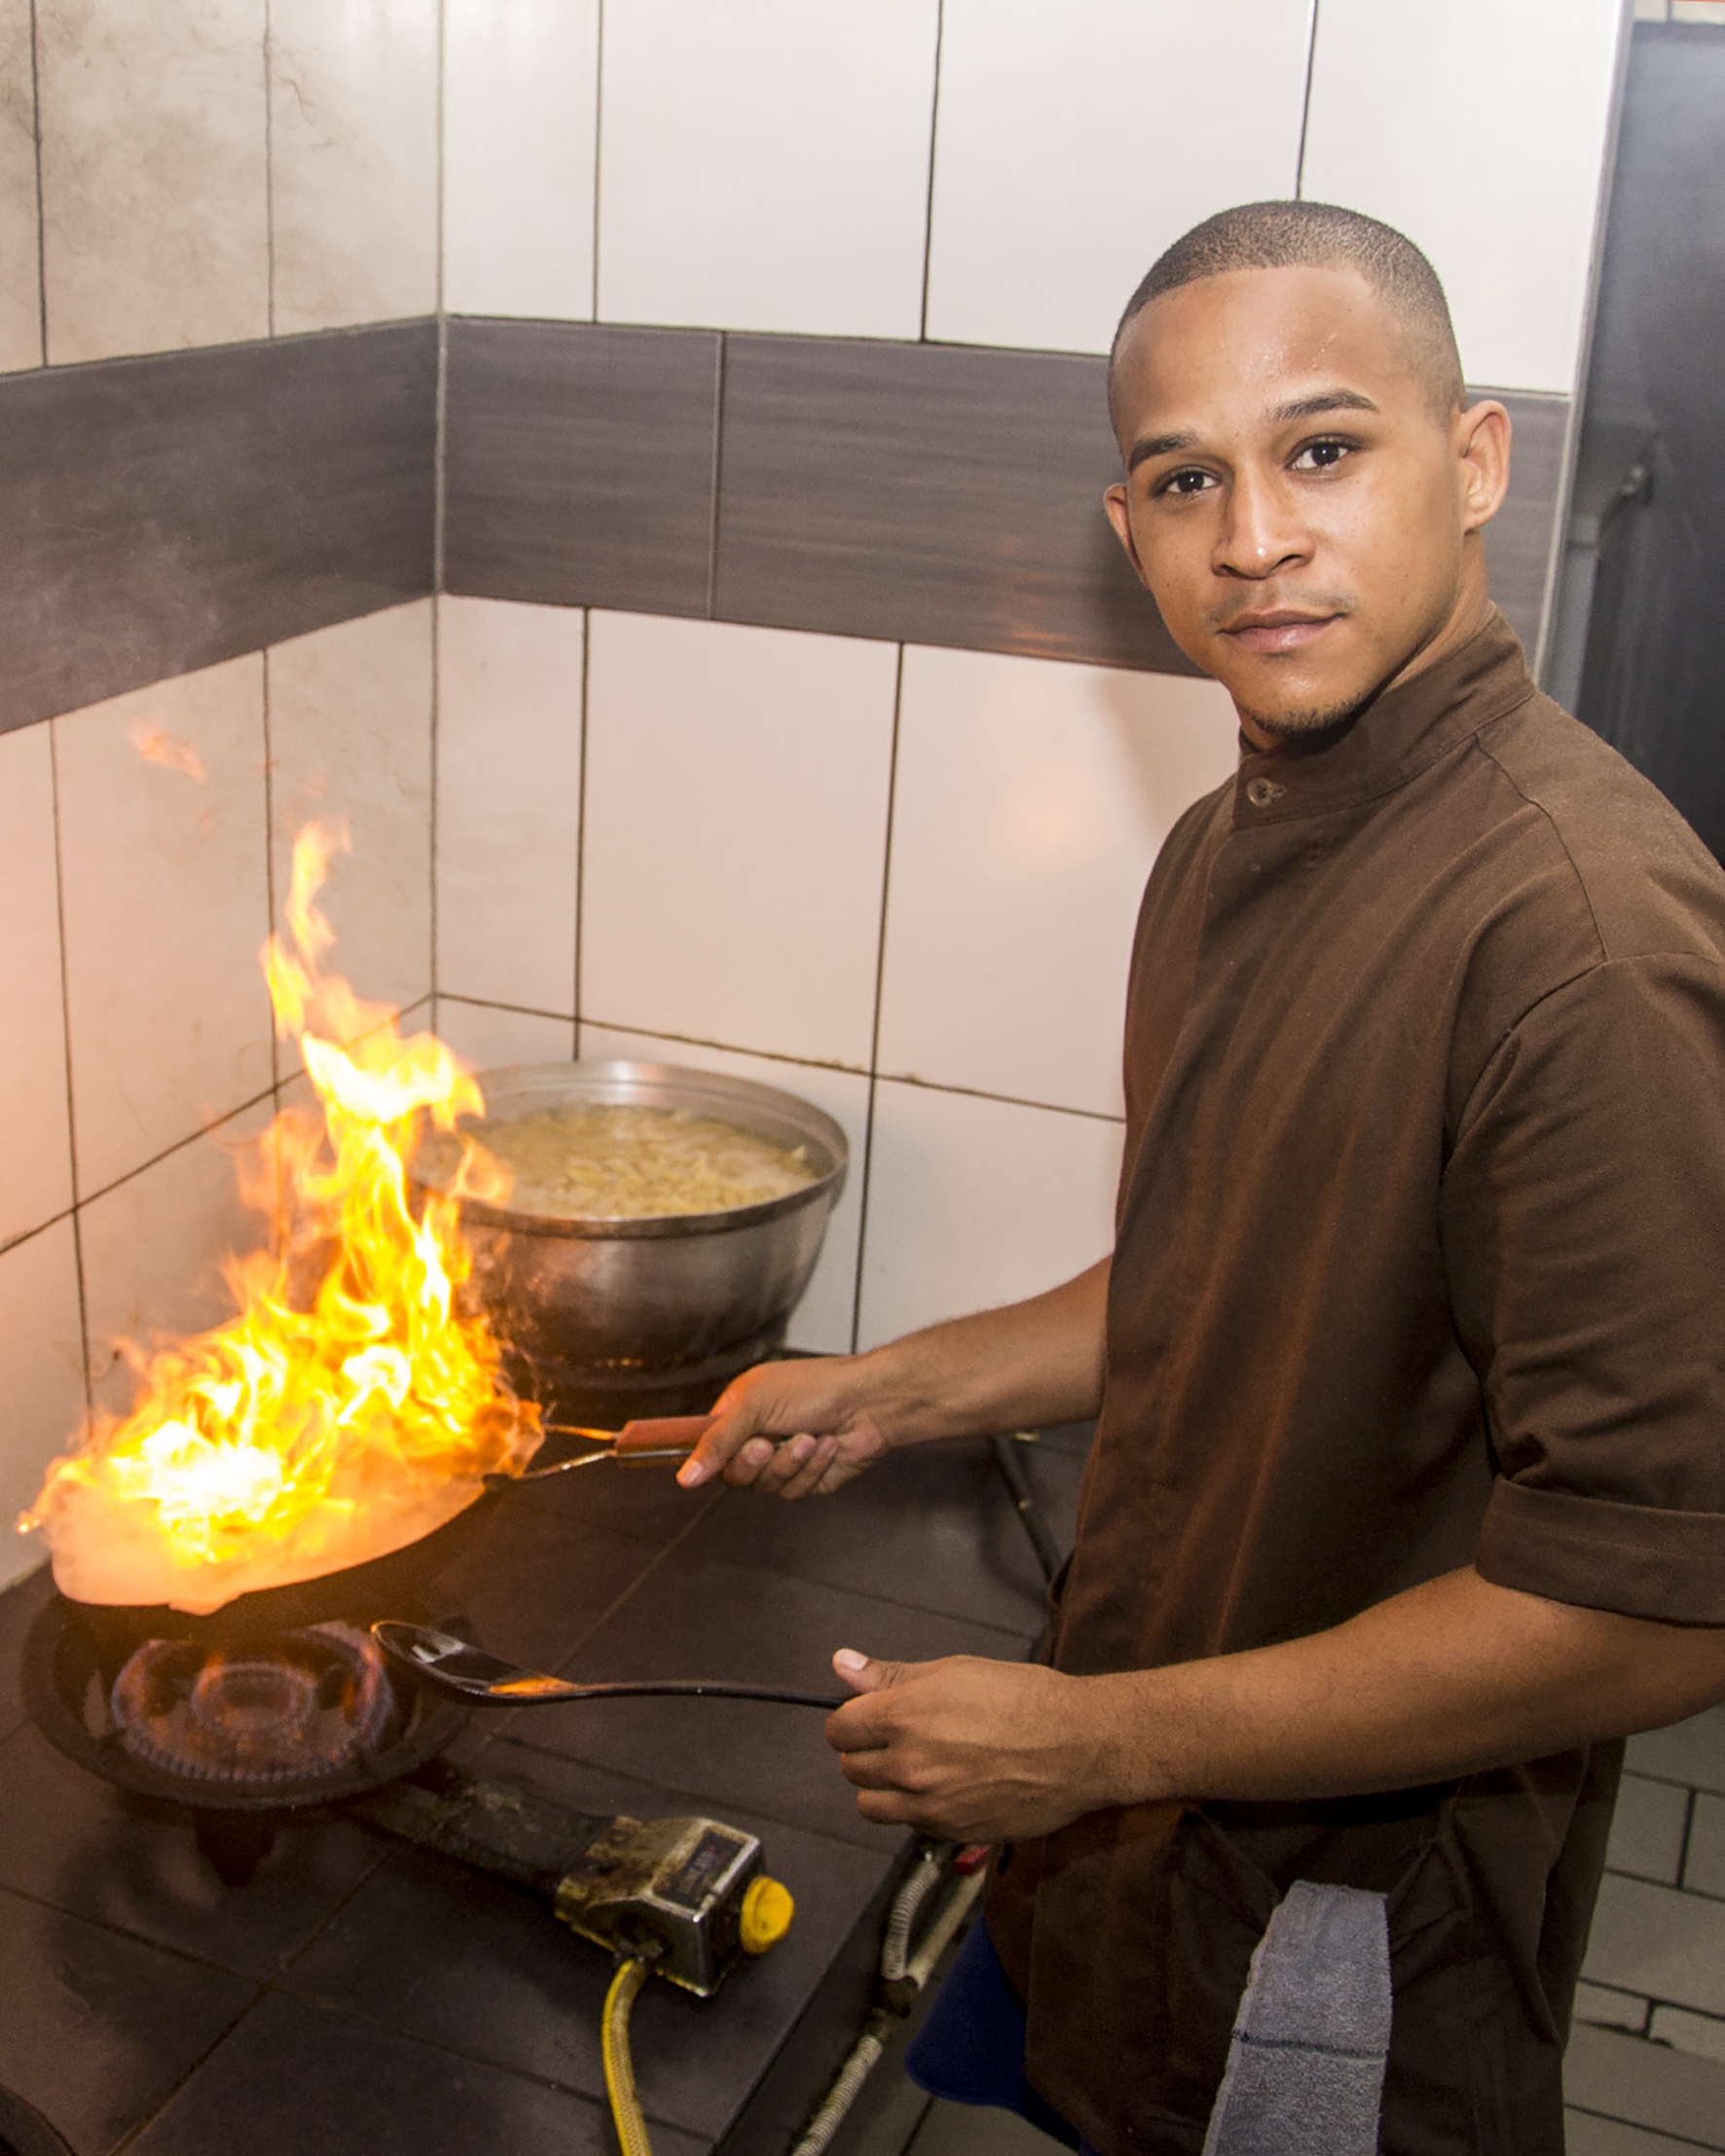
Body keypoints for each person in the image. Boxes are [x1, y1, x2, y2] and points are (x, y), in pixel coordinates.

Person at [674, 201, 1725, 2154]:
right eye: (1186, 478)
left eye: (1323, 449)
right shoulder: (1228, 843)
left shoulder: (1577, 936)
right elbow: (1208, 1269)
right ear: (1126, 527)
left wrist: (1090, 1740)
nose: (1255, 535)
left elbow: (1656, 1605)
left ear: (1474, 461)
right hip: (1132, 1843)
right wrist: (893, 1382)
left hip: (1340, 1928)